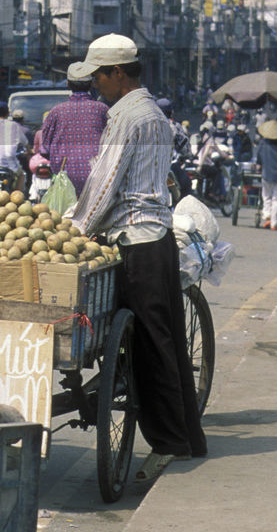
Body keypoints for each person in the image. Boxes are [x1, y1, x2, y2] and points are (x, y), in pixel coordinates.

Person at [65, 33, 206, 481]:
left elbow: (104, 186)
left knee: (150, 345)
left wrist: (71, 234)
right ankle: (185, 436)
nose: (95, 87)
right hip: (156, 239)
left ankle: (169, 442)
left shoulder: (128, 117)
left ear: (118, 74)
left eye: (99, 78)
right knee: (165, 342)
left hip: (138, 243)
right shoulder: (154, 114)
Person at [39, 65, 109, 196]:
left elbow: (44, 150)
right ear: (91, 84)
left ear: (68, 84)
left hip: (66, 179)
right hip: (98, 177)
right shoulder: (102, 109)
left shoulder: (56, 111)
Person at [256, 119, 277, 230]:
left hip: (266, 173)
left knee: (266, 196)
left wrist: (260, 165)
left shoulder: (262, 143)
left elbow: (259, 157)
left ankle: (267, 217)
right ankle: (274, 223)